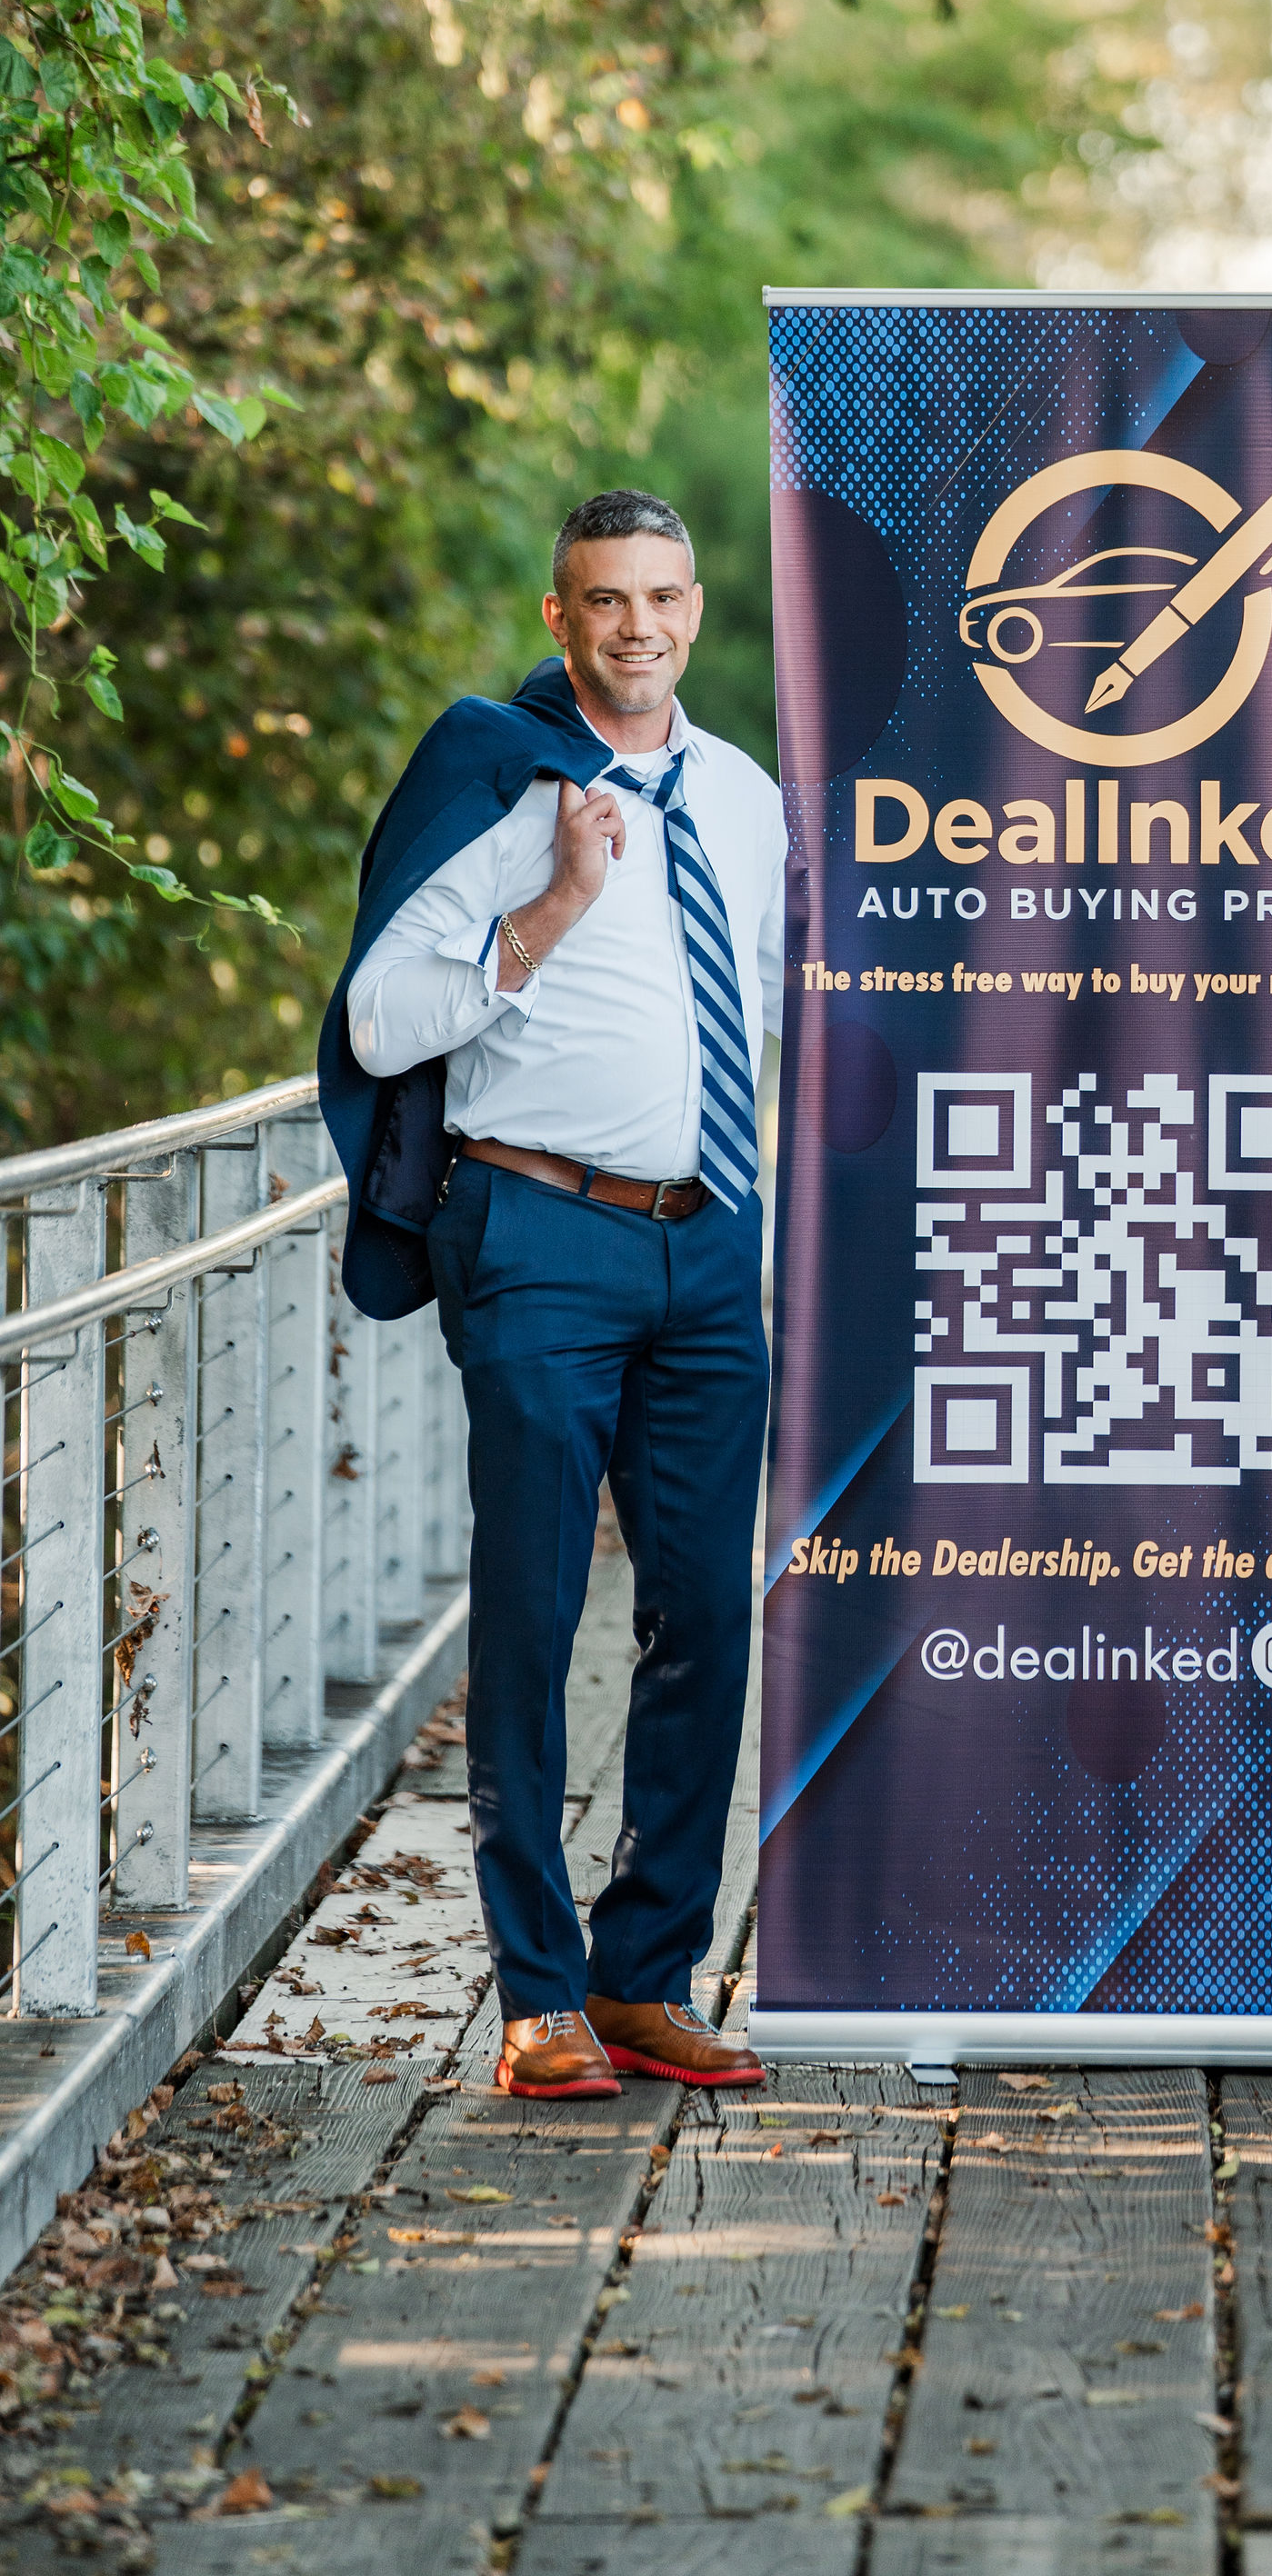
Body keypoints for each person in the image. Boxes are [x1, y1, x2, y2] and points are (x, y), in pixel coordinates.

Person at [320, 489, 783, 2102]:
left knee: (707, 1614)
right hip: (539, 1237)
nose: (636, 626)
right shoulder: (504, 781)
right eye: (605, 601)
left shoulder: (744, 798)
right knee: (527, 1615)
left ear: (699, 611)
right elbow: (380, 1023)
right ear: (558, 618)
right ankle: (537, 1995)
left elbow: (777, 1007)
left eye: (663, 596)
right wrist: (549, 912)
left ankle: (647, 1973)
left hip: (713, 1241)